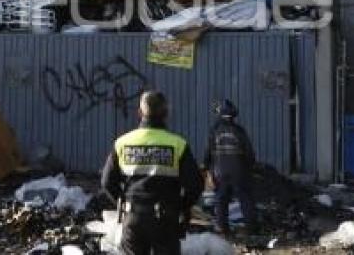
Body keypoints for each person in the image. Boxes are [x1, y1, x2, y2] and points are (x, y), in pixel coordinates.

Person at [101, 91, 204, 255]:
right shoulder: (177, 144)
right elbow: (195, 185)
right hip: (165, 219)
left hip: (133, 216)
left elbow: (107, 182)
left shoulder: (123, 143)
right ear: (166, 113)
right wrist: (181, 206)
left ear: (140, 113)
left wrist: (124, 202)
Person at [203, 99, 258, 235]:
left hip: (220, 171)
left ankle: (222, 228)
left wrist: (206, 167)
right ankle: (251, 228)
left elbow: (208, 152)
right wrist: (249, 168)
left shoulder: (214, 131)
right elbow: (249, 153)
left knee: (221, 199)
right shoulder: (240, 131)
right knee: (245, 198)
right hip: (239, 171)